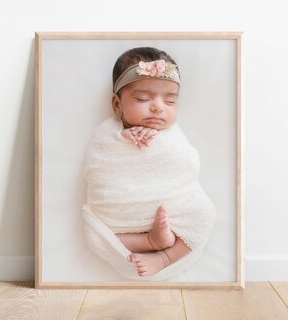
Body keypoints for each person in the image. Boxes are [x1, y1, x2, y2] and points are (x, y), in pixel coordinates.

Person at [82, 47, 216, 279]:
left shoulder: (173, 134)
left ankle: (163, 257)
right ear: (117, 105)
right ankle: (149, 240)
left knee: (205, 215)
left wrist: (157, 143)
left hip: (172, 208)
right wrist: (123, 139)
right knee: (94, 235)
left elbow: (188, 163)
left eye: (170, 101)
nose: (158, 107)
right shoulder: (105, 134)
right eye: (143, 99)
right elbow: (99, 167)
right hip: (122, 216)